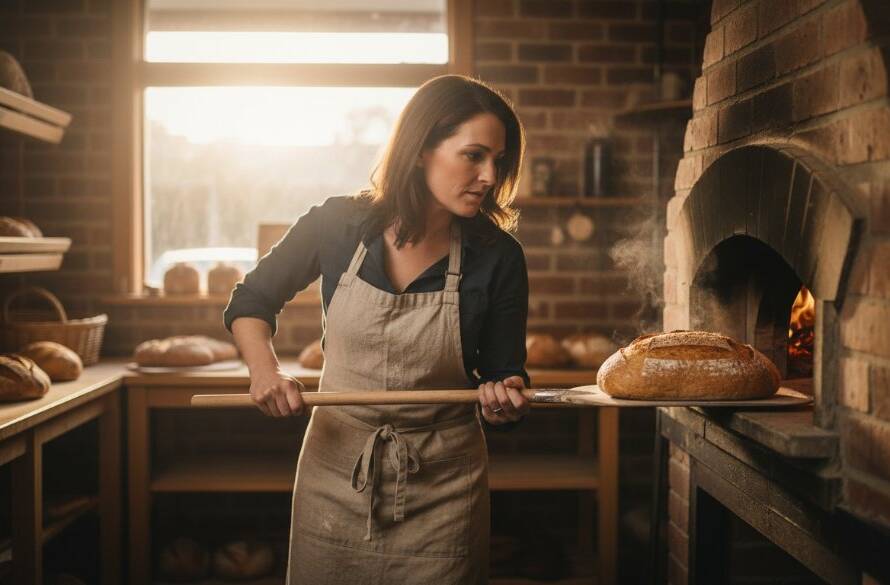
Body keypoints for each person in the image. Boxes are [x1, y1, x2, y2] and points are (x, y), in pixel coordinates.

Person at [223, 74, 530, 584]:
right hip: (336, 472)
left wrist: (504, 402)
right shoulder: (336, 225)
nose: (489, 176)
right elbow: (251, 301)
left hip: (444, 487)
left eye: (499, 161)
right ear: (421, 149)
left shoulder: (498, 256)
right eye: (474, 156)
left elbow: (503, 374)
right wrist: (264, 372)